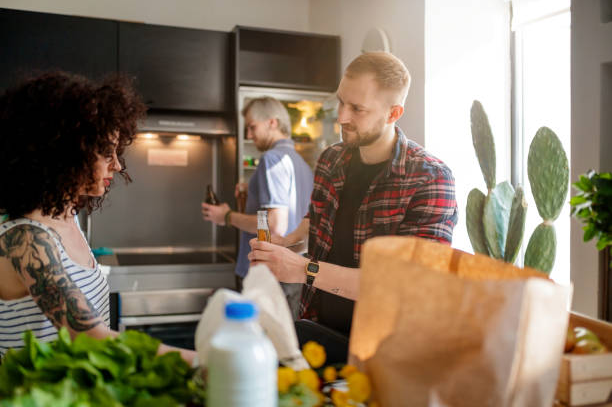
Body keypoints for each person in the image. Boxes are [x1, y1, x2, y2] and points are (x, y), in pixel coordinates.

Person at [248, 52, 459, 336]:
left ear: (393, 113)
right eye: (341, 101)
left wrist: (303, 269)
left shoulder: (430, 178)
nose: (342, 117)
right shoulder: (330, 159)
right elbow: (318, 225)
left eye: (357, 109)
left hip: (386, 346)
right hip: (317, 328)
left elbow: (409, 284)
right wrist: (284, 245)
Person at [0, 72, 196, 365]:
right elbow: (89, 337)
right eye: (106, 152)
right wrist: (210, 362)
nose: (117, 165)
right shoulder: (26, 238)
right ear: (62, 151)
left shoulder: (68, 218)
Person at [201, 97, 314, 297]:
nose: (249, 135)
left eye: (252, 127)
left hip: (267, 273)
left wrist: (226, 216)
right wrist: (248, 199)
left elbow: (274, 225)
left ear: (272, 122)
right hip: (292, 271)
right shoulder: (301, 164)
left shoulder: (272, 159)